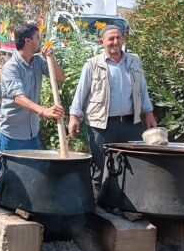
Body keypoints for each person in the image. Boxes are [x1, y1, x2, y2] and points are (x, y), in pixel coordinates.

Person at [67, 25, 157, 194]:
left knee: (130, 166)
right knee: (101, 167)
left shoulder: (133, 61)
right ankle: (97, 208)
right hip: (102, 125)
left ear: (123, 39)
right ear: (102, 42)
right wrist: (74, 116)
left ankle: (123, 206)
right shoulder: (92, 65)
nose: (115, 42)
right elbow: (81, 92)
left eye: (118, 38)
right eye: (111, 39)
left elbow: (142, 89)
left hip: (130, 123)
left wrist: (149, 113)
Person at [0, 23, 66, 197]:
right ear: (28, 41)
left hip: (31, 134)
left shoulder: (38, 62)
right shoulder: (11, 67)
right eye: (38, 37)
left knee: (30, 176)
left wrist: (51, 59)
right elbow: (18, 98)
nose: (41, 41)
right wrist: (44, 111)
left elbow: (60, 77)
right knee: (1, 176)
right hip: (11, 134)